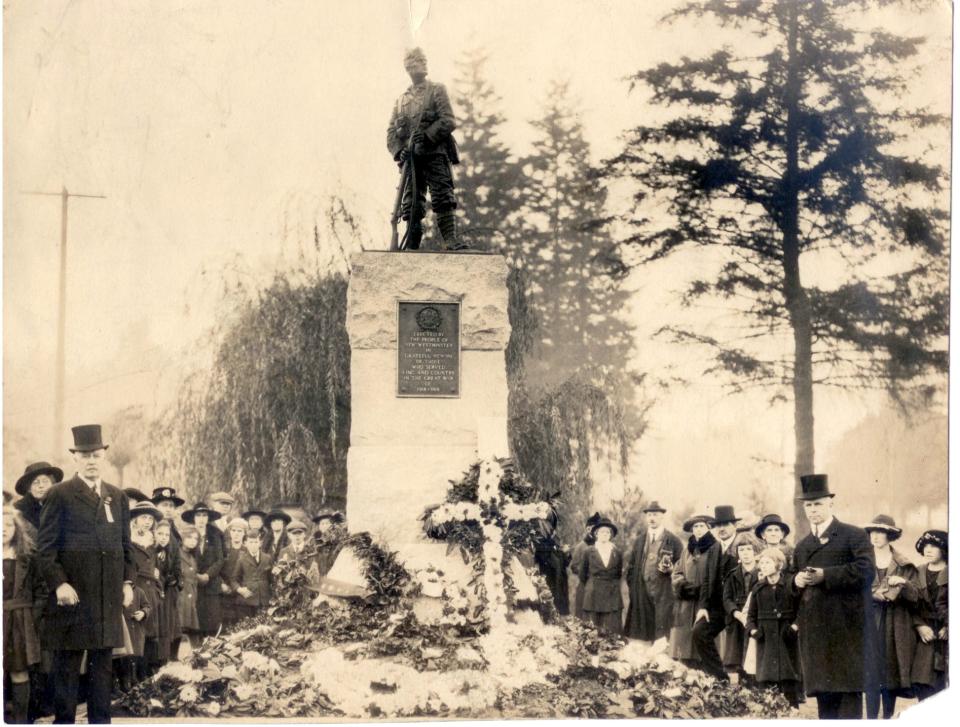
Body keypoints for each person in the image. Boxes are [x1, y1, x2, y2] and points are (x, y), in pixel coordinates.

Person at [35, 424, 135, 724]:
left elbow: (125, 546)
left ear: (103, 456)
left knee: (101, 672)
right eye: (85, 455)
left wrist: (128, 583)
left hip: (106, 599)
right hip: (73, 600)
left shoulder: (116, 497)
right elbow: (46, 549)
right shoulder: (60, 494)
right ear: (75, 459)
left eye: (96, 454)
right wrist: (59, 584)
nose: (91, 460)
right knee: (66, 673)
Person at [791, 473, 874, 719]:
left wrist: (825, 575)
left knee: (848, 697)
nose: (813, 510)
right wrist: (795, 581)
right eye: (808, 505)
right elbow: (790, 585)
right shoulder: (802, 546)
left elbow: (866, 571)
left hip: (846, 631)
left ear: (830, 503)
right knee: (824, 702)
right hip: (815, 633)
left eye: (818, 503)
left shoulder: (854, 535)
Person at [386, 47, 466, 251]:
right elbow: (391, 132)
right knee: (411, 204)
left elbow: (448, 120)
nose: (420, 65)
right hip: (411, 161)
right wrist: (399, 151)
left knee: (442, 196)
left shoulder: (437, 90)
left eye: (422, 61)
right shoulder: (401, 101)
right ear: (408, 68)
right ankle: (412, 245)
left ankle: (450, 240)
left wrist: (428, 134)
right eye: (415, 63)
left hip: (435, 154)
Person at [863, 515, 919, 719]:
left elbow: (916, 597)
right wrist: (870, 594)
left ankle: (887, 719)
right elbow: (850, 589)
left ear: (890, 535)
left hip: (894, 623)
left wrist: (903, 583)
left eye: (881, 532)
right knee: (870, 673)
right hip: (867, 621)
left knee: (889, 672)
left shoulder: (903, 563)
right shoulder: (861, 560)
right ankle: (870, 719)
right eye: (873, 532)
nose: (876, 536)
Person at [747, 547, 802, 708]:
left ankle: (792, 714)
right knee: (767, 682)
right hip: (766, 640)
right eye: (761, 563)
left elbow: (802, 611)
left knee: (788, 678)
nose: (763, 566)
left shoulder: (790, 586)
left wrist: (794, 627)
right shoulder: (758, 588)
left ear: (778, 564)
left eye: (767, 562)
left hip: (787, 639)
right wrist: (754, 630)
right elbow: (750, 616)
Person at [3, 507, 44, 723]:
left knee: (19, 671)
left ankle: (21, 721)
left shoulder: (27, 556)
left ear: (16, 529)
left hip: (19, 620)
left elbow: (41, 590)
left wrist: (30, 616)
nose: (3, 530)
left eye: (8, 525)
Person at [624, 500, 683, 642]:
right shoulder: (640, 541)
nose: (652, 518)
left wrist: (671, 570)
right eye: (649, 515)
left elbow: (682, 567)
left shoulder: (673, 540)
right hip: (642, 590)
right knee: (643, 632)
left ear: (662, 517)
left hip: (664, 592)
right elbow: (631, 567)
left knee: (662, 631)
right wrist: (634, 588)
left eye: (655, 515)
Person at [670, 514, 721, 669]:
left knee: (702, 637)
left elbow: (715, 573)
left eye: (701, 526)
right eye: (695, 527)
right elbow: (677, 572)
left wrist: (704, 590)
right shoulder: (687, 550)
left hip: (705, 601)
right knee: (684, 642)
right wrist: (684, 587)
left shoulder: (715, 547)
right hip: (686, 601)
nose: (698, 530)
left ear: (709, 528)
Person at [911, 529, 947, 700]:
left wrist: (949, 627)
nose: (929, 550)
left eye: (934, 546)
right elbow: (910, 605)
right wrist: (919, 626)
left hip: (945, 636)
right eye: (926, 546)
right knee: (922, 682)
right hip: (925, 635)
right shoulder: (917, 572)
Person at [128, 501, 163, 679]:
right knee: (137, 634)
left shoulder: (153, 541)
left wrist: (158, 587)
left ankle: (148, 675)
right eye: (143, 517)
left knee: (151, 634)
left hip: (151, 591)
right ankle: (134, 678)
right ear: (135, 520)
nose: (147, 521)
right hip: (136, 590)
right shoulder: (129, 540)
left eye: (150, 518)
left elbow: (156, 568)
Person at [181, 502, 225, 638]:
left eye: (204, 515)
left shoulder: (215, 535)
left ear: (208, 518)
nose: (201, 519)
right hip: (194, 586)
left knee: (213, 622)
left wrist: (207, 575)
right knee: (197, 622)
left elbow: (220, 560)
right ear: (193, 518)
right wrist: (196, 576)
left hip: (211, 584)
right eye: (198, 515)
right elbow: (183, 557)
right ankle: (198, 653)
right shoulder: (188, 535)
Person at [722, 534, 761, 681]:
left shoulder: (761, 573)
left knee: (752, 653)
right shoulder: (732, 575)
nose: (745, 553)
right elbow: (726, 598)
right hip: (737, 618)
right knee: (737, 657)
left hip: (755, 616)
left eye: (748, 549)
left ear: (755, 551)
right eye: (742, 550)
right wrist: (736, 613)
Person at [578, 517, 623, 634]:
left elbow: (618, 573)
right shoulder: (588, 551)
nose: (605, 534)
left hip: (611, 594)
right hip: (593, 594)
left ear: (611, 535)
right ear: (596, 534)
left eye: (607, 532)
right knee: (592, 631)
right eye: (602, 531)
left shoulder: (616, 552)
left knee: (612, 631)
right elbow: (582, 575)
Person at [532, 506, 571, 617]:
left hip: (560, 580)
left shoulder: (554, 538)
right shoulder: (539, 539)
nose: (550, 525)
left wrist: (565, 553)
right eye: (548, 522)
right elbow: (545, 558)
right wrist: (559, 551)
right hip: (549, 579)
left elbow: (564, 563)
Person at [153, 519, 181, 665]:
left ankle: (166, 657)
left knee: (169, 624)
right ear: (154, 534)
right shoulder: (151, 551)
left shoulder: (171, 550)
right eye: (160, 533)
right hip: (155, 591)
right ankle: (157, 659)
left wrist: (174, 579)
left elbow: (177, 570)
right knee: (158, 625)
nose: (163, 537)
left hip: (168, 592)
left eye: (166, 535)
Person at [231, 529, 273, 620]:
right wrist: (240, 589)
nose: (253, 545)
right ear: (246, 543)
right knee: (247, 627)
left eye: (255, 542)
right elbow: (233, 580)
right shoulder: (241, 559)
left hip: (264, 599)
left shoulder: (267, 558)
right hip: (247, 600)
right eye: (250, 542)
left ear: (260, 543)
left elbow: (272, 579)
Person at [14, 462, 64, 532]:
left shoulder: (62, 504)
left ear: (53, 485)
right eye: (36, 482)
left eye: (45, 481)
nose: (41, 486)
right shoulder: (19, 510)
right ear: (29, 489)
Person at [570, 512, 601, 620]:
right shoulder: (581, 546)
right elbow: (574, 566)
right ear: (587, 529)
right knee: (582, 616)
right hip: (584, 585)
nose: (592, 531)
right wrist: (587, 573)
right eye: (589, 528)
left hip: (600, 586)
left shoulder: (602, 545)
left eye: (595, 528)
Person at [221, 517, 249, 629]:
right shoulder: (224, 550)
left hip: (240, 593)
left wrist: (240, 588)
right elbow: (218, 569)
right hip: (224, 592)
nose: (236, 534)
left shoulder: (247, 551)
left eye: (239, 531)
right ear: (230, 532)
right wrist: (221, 584)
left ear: (244, 533)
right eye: (233, 530)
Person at [176, 526, 201, 649]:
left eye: (195, 538)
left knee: (192, 627)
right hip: (181, 594)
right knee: (180, 626)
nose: (192, 541)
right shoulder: (177, 553)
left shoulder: (192, 557)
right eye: (189, 537)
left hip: (191, 594)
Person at [312, 511, 347, 579]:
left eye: (327, 523)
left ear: (332, 525)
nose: (325, 526)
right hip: (319, 575)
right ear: (319, 526)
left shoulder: (338, 541)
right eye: (322, 523)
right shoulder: (313, 541)